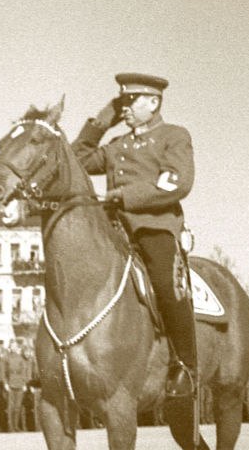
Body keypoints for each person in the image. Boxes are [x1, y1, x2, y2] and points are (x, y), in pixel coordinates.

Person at [71, 72, 197, 398]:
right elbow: (78, 159)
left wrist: (121, 197)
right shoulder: (118, 144)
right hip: (113, 230)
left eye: (131, 101)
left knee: (166, 285)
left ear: (154, 102)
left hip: (153, 227)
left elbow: (175, 183)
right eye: (121, 102)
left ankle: (184, 366)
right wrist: (101, 121)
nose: (124, 107)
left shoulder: (173, 136)